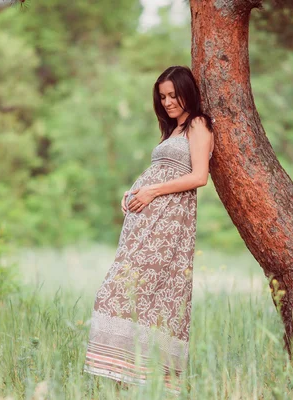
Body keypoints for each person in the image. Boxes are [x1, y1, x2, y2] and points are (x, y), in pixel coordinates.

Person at [83, 65, 214, 394]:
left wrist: (152, 191)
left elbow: (199, 177)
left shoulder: (198, 124)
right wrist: (134, 191)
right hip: (144, 225)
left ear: (188, 92)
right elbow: (160, 170)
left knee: (128, 294)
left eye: (173, 95)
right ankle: (124, 383)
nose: (168, 102)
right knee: (124, 293)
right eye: (163, 97)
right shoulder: (172, 130)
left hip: (167, 227)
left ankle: (145, 379)